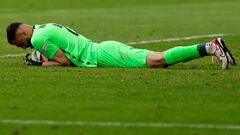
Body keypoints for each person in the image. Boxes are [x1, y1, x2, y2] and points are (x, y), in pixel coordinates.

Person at [6, 23, 236, 69]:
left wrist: (43, 66)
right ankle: (209, 47)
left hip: (101, 54)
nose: (25, 47)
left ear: (24, 33)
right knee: (157, 61)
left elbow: (64, 62)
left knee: (157, 60)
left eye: (21, 43)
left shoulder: (37, 39)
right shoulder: (44, 28)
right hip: (102, 49)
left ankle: (211, 47)